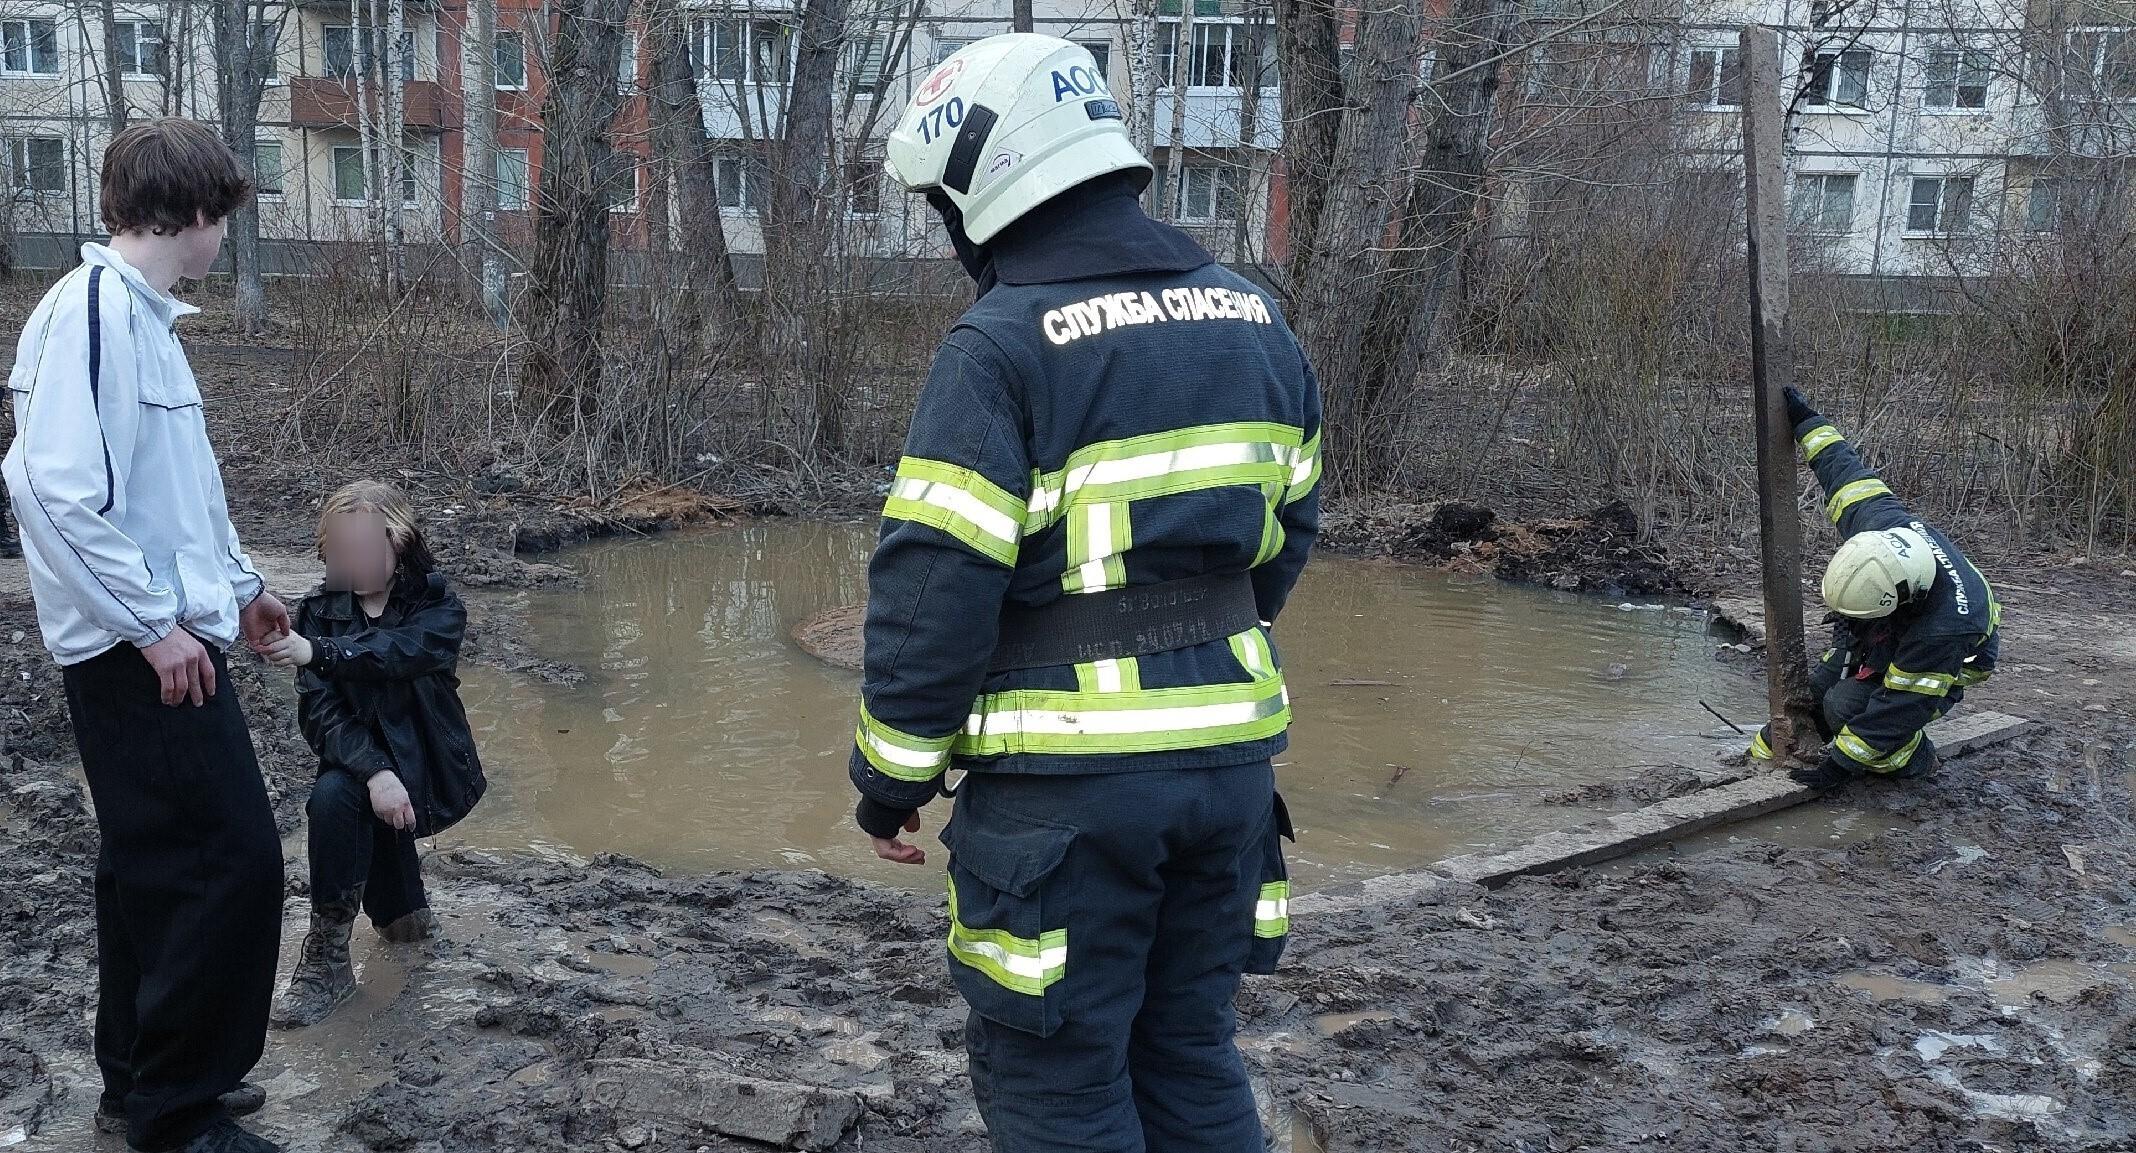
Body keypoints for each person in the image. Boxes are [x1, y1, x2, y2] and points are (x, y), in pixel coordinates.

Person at [849, 35, 1320, 1152]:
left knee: (1058, 1083)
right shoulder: (1256, 320)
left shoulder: (999, 348)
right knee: (1191, 1053)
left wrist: (890, 778)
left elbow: (933, 592)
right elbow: (1286, 538)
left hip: (1068, 799)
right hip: (1231, 780)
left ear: (985, 184)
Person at [2, 119, 286, 1153]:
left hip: (168, 638)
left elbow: (178, 498)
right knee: (234, 866)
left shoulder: (143, 323)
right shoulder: (89, 313)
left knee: (147, 867)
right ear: (198, 213)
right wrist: (156, 623)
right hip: (139, 657)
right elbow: (48, 487)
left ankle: (140, 1079)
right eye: (226, 219)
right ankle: (180, 1109)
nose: (225, 241)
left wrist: (242, 585)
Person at [260, 481, 486, 1027]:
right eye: (340, 552)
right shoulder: (316, 611)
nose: (350, 563)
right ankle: (328, 959)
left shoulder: (437, 604)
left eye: (362, 549)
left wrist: (321, 652)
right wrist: (377, 771)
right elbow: (321, 715)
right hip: (361, 766)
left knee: (402, 926)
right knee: (335, 795)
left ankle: (401, 917)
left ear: (399, 541)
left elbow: (399, 654)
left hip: (428, 763)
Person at [1749, 386, 2002, 788]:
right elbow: (1844, 472)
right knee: (1815, 688)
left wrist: (1836, 769)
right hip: (1892, 626)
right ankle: (1757, 757)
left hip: (1948, 667)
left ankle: (1916, 759)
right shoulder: (1880, 526)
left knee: (1845, 705)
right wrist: (1805, 420)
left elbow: (1900, 707)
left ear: (1897, 604)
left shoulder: (1943, 629)